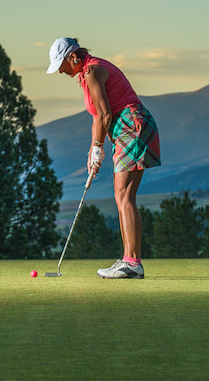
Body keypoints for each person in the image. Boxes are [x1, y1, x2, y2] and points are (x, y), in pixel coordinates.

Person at [47, 37, 161, 279]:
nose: (60, 71)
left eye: (61, 64)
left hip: (132, 125)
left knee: (124, 195)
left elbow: (105, 115)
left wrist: (99, 146)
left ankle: (132, 264)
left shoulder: (92, 71)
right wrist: (93, 150)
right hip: (127, 128)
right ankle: (129, 260)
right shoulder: (86, 73)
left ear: (73, 57)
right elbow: (96, 116)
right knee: (122, 196)